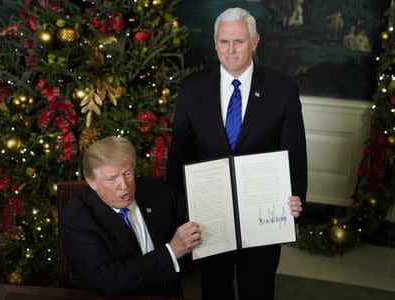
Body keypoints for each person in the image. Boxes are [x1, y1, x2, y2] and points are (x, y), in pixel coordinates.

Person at [167, 7, 307, 300]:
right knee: (214, 289)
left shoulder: (283, 89)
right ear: (215, 42)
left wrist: (295, 201)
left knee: (258, 289)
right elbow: (178, 156)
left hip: (263, 217)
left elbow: (294, 153)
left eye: (239, 41)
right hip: (209, 218)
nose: (230, 50)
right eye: (223, 42)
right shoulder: (191, 89)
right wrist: (181, 213)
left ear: (255, 42)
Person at [60, 136, 201, 297]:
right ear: (92, 182)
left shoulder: (159, 191)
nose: (124, 186)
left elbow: (197, 224)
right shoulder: (77, 218)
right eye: (112, 179)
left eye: (127, 173)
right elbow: (108, 280)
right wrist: (171, 251)